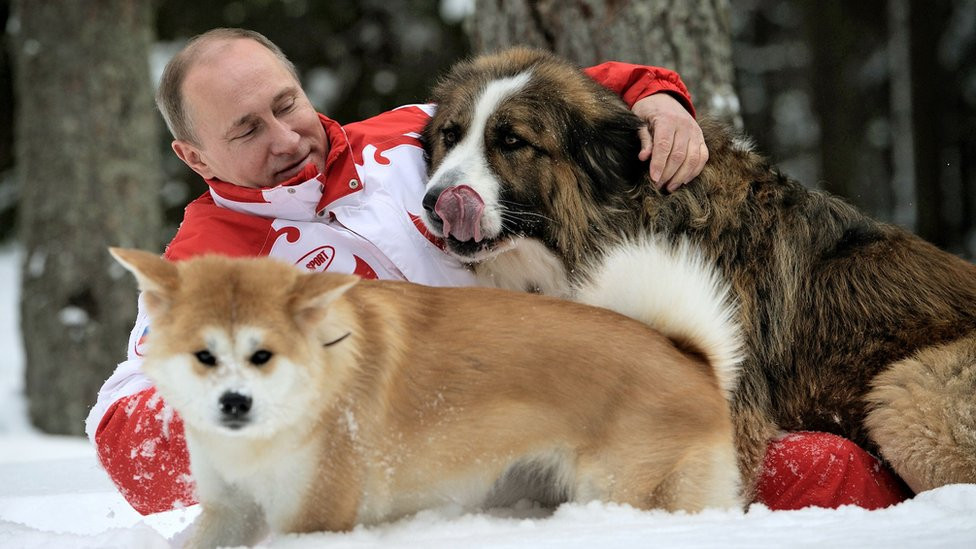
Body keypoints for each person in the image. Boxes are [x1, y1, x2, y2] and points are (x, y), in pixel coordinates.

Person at [86, 28, 911, 516]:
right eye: (246, 130)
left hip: (596, 399)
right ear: (192, 155)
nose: (288, 136)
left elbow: (567, 94)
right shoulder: (208, 260)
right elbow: (130, 434)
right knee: (792, 479)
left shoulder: (409, 136)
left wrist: (659, 97)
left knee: (835, 461)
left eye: (287, 103)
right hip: (464, 470)